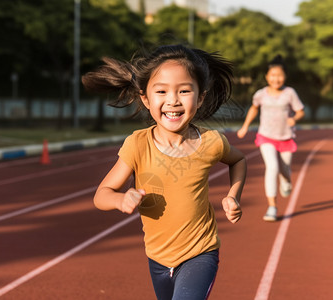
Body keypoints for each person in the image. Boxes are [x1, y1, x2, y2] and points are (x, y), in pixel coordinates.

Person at [82, 44, 247, 300]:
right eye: (161, 91)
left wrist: (233, 195)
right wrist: (120, 199)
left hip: (200, 253)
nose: (173, 100)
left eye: (184, 91)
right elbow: (101, 194)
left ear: (200, 97)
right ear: (146, 98)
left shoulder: (212, 142)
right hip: (157, 258)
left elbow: (238, 161)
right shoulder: (137, 145)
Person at [237, 55, 304, 222]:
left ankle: (286, 181)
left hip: (286, 138)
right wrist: (245, 126)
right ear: (267, 77)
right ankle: (272, 207)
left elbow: (300, 111)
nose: (276, 78)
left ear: (285, 77)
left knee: (285, 171)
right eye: (272, 75)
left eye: (279, 75)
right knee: (272, 167)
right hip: (266, 136)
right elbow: (254, 109)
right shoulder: (261, 94)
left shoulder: (290, 93)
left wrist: (294, 119)